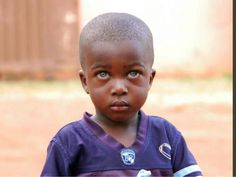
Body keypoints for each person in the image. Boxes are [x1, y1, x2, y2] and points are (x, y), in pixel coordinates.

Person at [41, 12, 203, 177]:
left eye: (133, 73)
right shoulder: (69, 142)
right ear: (85, 81)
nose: (119, 88)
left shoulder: (166, 136)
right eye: (103, 74)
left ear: (150, 78)